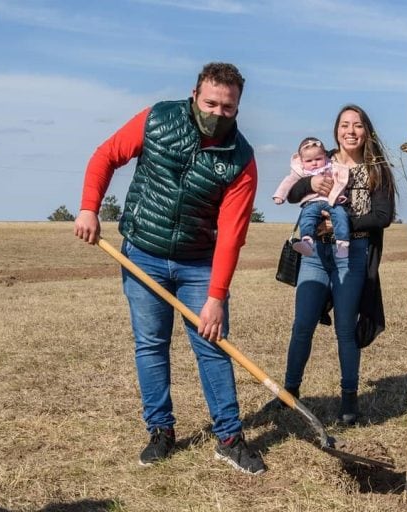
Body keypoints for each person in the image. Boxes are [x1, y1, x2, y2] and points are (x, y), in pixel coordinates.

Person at [73, 62, 265, 475]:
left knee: (212, 345)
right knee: (151, 344)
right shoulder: (157, 118)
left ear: (237, 108)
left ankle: (229, 437)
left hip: (199, 262)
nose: (217, 113)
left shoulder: (241, 160)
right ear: (195, 95)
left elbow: (232, 235)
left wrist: (216, 296)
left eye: (227, 108)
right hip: (142, 252)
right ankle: (161, 431)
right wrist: (90, 208)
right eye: (210, 102)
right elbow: (106, 156)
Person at [276, 104, 395, 425]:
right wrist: (310, 186)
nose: (350, 131)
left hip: (352, 254)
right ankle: (289, 393)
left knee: (345, 329)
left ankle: (349, 401)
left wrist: (341, 223)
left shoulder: (377, 170)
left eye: (357, 125)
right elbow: (293, 191)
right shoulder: (321, 159)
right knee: (302, 325)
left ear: (367, 130)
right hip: (315, 255)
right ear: (336, 131)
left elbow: (383, 217)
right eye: (344, 125)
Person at [272, 137, 352, 258]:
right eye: (309, 161)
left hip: (332, 201)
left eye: (318, 159)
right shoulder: (301, 172)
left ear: (325, 156)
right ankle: (307, 242)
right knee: (307, 218)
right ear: (302, 161)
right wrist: (280, 195)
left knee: (341, 215)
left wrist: (340, 195)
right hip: (311, 203)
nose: (314, 163)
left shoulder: (332, 166)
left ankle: (342, 244)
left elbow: (341, 180)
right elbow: (288, 182)